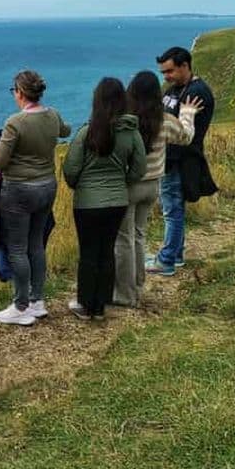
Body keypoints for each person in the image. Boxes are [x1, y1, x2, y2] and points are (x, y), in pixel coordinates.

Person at [111, 71, 201, 306]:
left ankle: (124, 293)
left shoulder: (124, 120)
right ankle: (138, 285)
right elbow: (186, 137)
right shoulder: (164, 119)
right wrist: (187, 114)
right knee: (139, 235)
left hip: (128, 185)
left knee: (123, 239)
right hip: (152, 186)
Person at [0, 70, 71, 325]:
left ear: (20, 92)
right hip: (47, 185)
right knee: (36, 244)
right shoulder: (52, 115)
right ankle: (37, 300)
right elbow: (65, 130)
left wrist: (2, 140)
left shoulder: (15, 122)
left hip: (19, 190)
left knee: (17, 248)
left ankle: (21, 305)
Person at [63, 78, 147, 320]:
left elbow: (71, 169)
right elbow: (139, 168)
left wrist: (78, 185)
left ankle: (85, 304)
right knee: (107, 250)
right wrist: (123, 182)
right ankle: (101, 306)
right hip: (117, 201)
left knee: (89, 252)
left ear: (96, 100)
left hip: (87, 203)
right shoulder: (131, 132)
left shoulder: (86, 132)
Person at [147, 47, 216, 276]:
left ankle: (166, 260)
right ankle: (175, 255)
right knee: (173, 208)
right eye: (163, 72)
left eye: (170, 71)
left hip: (179, 160)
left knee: (172, 210)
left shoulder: (195, 92)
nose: (165, 76)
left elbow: (184, 132)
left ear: (185, 66)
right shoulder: (176, 89)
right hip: (170, 159)